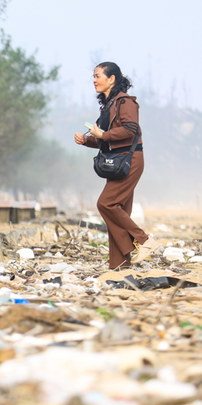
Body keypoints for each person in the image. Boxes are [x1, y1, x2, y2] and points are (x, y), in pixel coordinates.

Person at [74, 62, 159, 270]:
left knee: (106, 204)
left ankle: (145, 241)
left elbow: (131, 130)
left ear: (111, 79)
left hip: (129, 160)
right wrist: (87, 140)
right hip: (117, 160)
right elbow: (109, 140)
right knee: (117, 214)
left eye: (97, 76)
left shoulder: (124, 102)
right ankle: (119, 267)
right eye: (93, 77)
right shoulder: (108, 104)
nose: (94, 80)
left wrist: (102, 134)